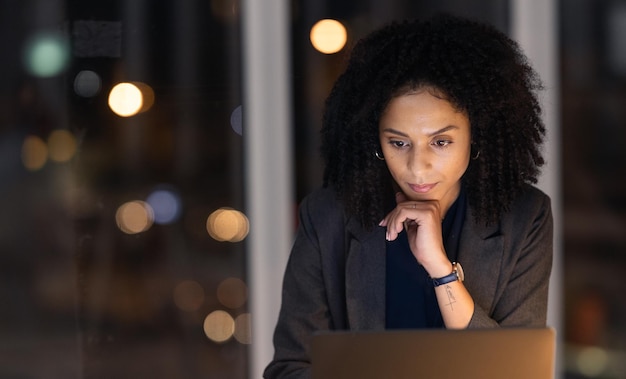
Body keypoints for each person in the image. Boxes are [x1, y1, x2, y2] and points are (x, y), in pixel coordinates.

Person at [264, 13, 553, 379]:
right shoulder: (326, 217)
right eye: (399, 142)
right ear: (375, 140)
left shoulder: (525, 217)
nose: (418, 167)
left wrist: (440, 270)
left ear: (477, 135)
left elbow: (517, 372)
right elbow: (288, 369)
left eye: (441, 142)